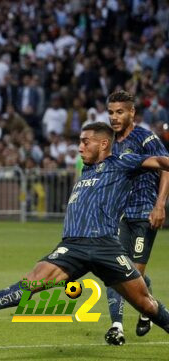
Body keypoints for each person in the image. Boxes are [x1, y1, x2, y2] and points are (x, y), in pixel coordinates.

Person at [0, 122, 169, 340]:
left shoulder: (122, 163)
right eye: (79, 142)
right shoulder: (87, 170)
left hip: (105, 246)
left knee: (146, 304)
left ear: (104, 143)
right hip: (72, 246)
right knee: (31, 282)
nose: (79, 147)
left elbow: (160, 162)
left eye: (85, 142)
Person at [104, 90, 169, 345]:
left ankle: (146, 308)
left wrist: (159, 206)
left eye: (120, 112)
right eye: (110, 112)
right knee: (118, 270)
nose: (114, 117)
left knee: (127, 274)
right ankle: (118, 326)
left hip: (144, 214)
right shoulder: (111, 142)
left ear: (132, 112)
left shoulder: (145, 137)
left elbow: (166, 167)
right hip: (122, 216)